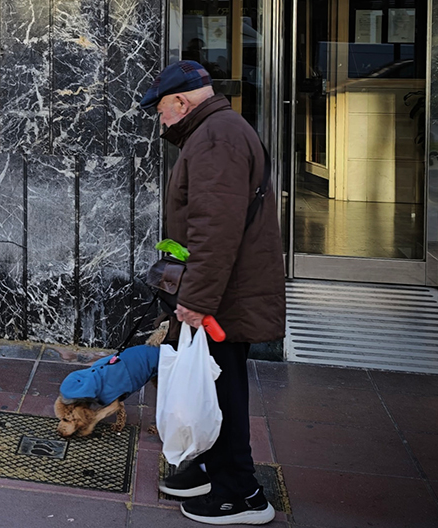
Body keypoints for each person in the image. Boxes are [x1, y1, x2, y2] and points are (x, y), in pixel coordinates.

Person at [140, 60, 285, 526]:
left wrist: (197, 300)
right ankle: (209, 470)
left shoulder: (216, 138)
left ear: (181, 102)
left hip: (223, 295)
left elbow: (215, 229)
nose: (161, 122)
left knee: (221, 390)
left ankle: (240, 495)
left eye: (161, 111)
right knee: (215, 383)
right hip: (225, 289)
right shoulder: (218, 130)